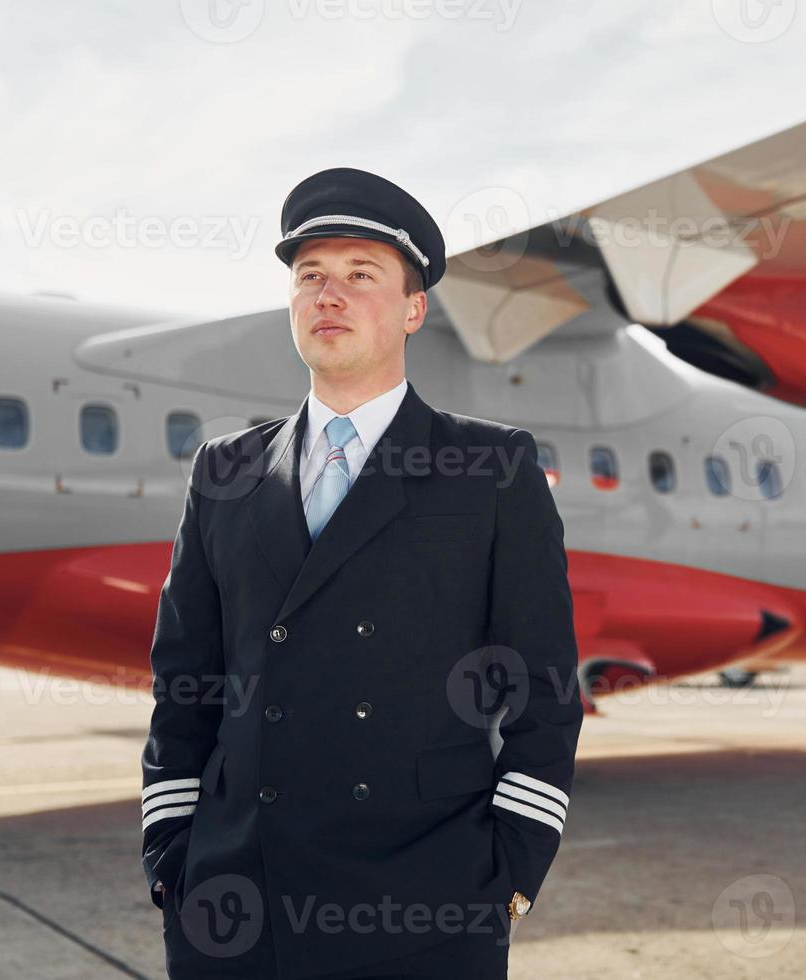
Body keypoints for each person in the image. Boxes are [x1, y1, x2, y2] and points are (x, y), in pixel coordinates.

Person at [139, 167, 583, 978]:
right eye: (310, 276)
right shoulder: (223, 471)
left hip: (424, 907)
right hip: (234, 906)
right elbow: (186, 681)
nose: (327, 295)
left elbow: (541, 687)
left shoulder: (493, 468)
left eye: (359, 275)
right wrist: (171, 852)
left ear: (414, 309)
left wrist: (512, 873)